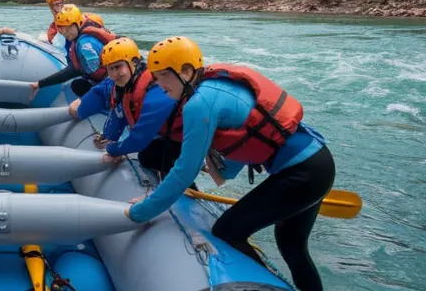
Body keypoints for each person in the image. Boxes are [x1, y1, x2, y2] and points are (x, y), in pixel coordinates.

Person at [125, 36, 335, 291]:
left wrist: (143, 210)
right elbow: (233, 160)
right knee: (292, 247)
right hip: (318, 162)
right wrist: (211, 167)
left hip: (301, 174)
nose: (157, 84)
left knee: (227, 231)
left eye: (161, 77)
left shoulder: (198, 104)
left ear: (186, 72)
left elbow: (183, 172)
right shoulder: (214, 87)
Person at [69, 37, 179, 176]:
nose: (114, 74)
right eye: (110, 69)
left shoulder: (157, 94)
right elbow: (118, 115)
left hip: (183, 138)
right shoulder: (122, 86)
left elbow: (139, 139)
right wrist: (108, 138)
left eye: (118, 67)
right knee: (149, 154)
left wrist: (113, 149)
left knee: (149, 156)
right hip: (161, 134)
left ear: (133, 63)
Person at [29, 4, 116, 98]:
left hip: (113, 82)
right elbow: (76, 69)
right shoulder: (81, 36)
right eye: (61, 28)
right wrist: (40, 84)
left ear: (78, 23)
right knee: (78, 83)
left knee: (77, 86)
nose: (65, 32)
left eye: (69, 27)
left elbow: (107, 74)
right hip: (108, 76)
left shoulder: (85, 46)